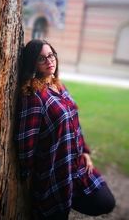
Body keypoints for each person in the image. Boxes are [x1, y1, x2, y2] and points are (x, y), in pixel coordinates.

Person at [16, 39, 115, 220]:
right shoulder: (33, 95)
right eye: (41, 59)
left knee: (106, 201)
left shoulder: (59, 85)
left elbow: (75, 122)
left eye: (51, 55)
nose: (49, 61)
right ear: (33, 63)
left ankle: (70, 195)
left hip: (76, 163)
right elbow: (25, 141)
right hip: (55, 169)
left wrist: (84, 151)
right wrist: (27, 174)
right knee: (57, 213)